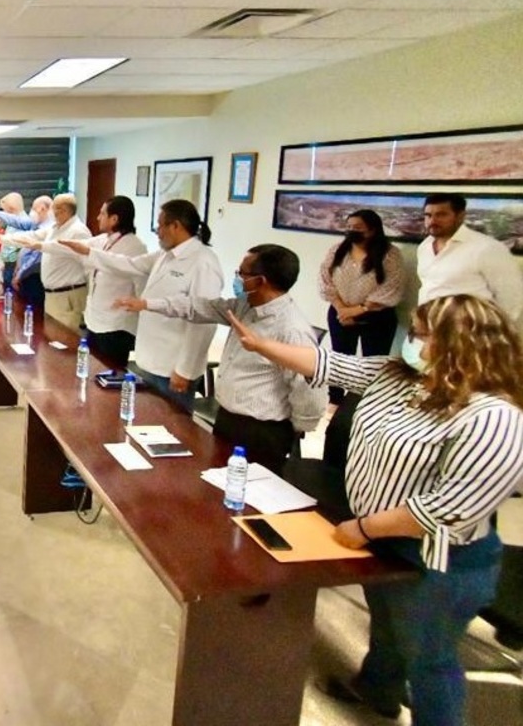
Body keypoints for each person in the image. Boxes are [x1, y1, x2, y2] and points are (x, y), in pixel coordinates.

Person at [226, 294, 523, 726]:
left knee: (430, 660)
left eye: (421, 335)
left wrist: (364, 528)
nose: (410, 342)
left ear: (460, 343)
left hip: (439, 560)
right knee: (387, 628)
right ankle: (378, 691)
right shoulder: (398, 375)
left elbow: (449, 509)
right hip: (383, 538)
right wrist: (260, 344)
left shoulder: (494, 416)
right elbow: (327, 364)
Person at [116, 244, 327, 472]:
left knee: (251, 489)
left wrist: (297, 427)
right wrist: (147, 304)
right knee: (217, 479)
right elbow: (199, 307)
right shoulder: (245, 306)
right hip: (228, 419)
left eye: (242, 273)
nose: (237, 278)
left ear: (260, 281)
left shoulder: (292, 330)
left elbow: (310, 391)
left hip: (262, 431)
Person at [66, 199, 223, 411]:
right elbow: (129, 264)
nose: (157, 232)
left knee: (169, 424)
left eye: (160, 225)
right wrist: (89, 253)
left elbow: (205, 321)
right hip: (150, 359)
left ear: (175, 226)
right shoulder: (165, 255)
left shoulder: (203, 261)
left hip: (173, 366)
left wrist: (185, 369)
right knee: (147, 419)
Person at [319, 209, 406, 404]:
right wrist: (342, 309)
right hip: (339, 313)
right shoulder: (337, 250)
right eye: (349, 227)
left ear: (372, 229)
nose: (352, 231)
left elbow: (391, 287)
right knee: (339, 360)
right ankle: (335, 402)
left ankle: (366, 403)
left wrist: (357, 310)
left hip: (377, 317)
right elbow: (325, 280)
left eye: (358, 227)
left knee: (372, 364)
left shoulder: (390, 254)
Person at [54, 195, 147, 365]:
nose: (98, 218)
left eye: (102, 214)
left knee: (109, 371)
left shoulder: (135, 246)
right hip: (96, 321)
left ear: (114, 219)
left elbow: (140, 287)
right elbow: (76, 247)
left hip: (116, 326)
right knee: (91, 367)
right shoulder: (105, 240)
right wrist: (37, 245)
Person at [417, 193, 523, 323]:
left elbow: (512, 297)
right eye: (428, 215)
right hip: (427, 325)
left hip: (467, 330)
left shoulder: (487, 248)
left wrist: (493, 329)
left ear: (460, 216)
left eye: (441, 215)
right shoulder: (425, 246)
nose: (432, 221)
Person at [0, 193, 92, 330]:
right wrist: (4, 238)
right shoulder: (55, 228)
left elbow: (59, 248)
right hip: (52, 295)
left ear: (64, 210)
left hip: (68, 295)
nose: (51, 212)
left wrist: (39, 245)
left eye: (54, 209)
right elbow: (33, 236)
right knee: (51, 336)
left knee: (66, 336)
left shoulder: (78, 231)